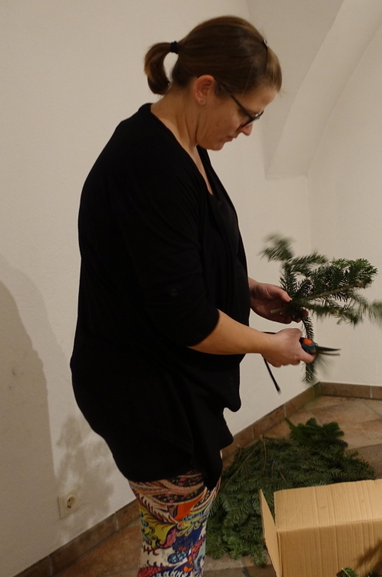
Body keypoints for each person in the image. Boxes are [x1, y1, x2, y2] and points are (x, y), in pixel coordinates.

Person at [70, 16, 313, 577]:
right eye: (248, 114)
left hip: (168, 379)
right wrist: (268, 344)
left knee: (181, 534)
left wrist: (245, 290)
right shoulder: (148, 164)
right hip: (145, 389)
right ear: (205, 88)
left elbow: (175, 262)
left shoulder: (186, 146)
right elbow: (184, 317)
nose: (247, 130)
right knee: (173, 552)